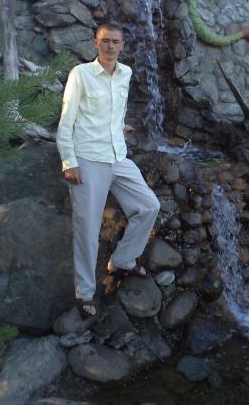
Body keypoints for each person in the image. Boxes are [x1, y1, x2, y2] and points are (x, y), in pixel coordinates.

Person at [56, 22, 160, 317]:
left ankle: (124, 259)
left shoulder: (125, 73)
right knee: (87, 229)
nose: (110, 46)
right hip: (88, 158)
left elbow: (116, 108)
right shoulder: (81, 74)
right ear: (96, 43)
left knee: (149, 205)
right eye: (105, 41)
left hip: (117, 156)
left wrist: (119, 126)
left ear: (122, 44)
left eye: (115, 41)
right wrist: (69, 162)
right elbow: (66, 122)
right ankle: (85, 292)